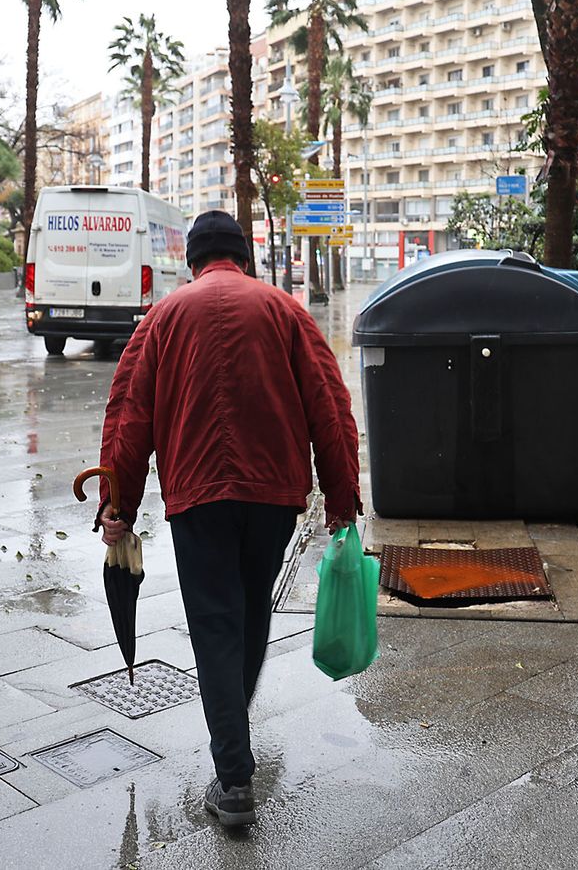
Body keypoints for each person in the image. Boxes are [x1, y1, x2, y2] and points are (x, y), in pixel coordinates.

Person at [97, 209, 360, 828]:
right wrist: (343, 504)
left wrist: (119, 507)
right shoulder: (286, 311)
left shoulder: (163, 317)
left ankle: (234, 778)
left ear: (191, 260)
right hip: (273, 497)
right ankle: (232, 734)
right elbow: (330, 408)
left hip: (198, 497)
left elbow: (131, 416)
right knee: (250, 612)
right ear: (244, 256)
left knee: (215, 623)